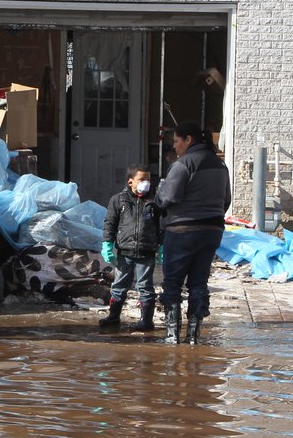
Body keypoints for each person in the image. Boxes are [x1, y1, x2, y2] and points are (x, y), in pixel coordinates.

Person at [155, 122, 231, 345]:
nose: (175, 147)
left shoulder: (183, 164)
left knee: (172, 282)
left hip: (182, 230)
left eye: (176, 142)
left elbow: (168, 198)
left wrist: (158, 199)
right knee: (199, 282)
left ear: (188, 140)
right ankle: (193, 336)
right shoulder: (220, 165)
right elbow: (226, 200)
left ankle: (172, 335)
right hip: (212, 231)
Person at [99, 164, 160, 331]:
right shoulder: (118, 200)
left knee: (145, 286)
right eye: (141, 179)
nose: (146, 183)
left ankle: (146, 321)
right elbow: (110, 223)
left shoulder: (154, 201)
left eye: (148, 179)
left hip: (146, 251)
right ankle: (113, 317)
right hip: (125, 251)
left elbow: (160, 226)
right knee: (119, 285)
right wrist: (107, 244)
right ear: (130, 182)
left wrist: (162, 246)